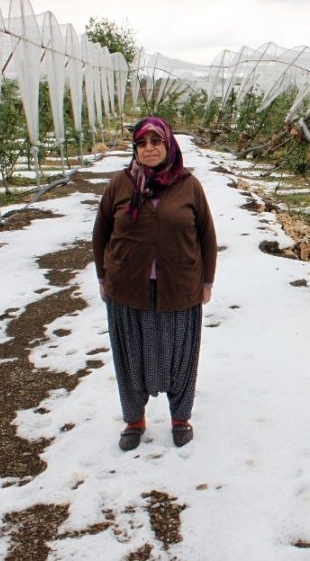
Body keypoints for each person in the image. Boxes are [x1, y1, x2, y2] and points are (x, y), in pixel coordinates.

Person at [92, 116, 217, 451]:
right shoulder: (120, 184)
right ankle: (134, 420)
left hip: (180, 286)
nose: (148, 148)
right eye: (141, 143)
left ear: (168, 144)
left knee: (181, 355)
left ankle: (180, 417)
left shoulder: (189, 185)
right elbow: (101, 233)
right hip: (126, 287)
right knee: (130, 355)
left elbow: (206, 235)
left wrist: (207, 281)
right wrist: (103, 276)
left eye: (155, 141)